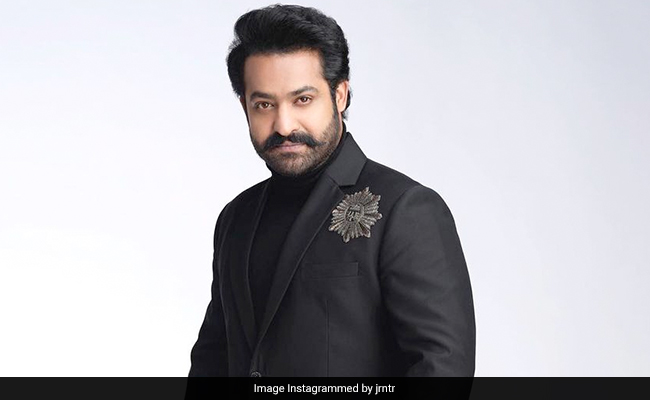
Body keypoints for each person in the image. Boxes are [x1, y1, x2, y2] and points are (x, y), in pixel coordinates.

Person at [188, 4, 475, 377]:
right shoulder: (236, 218)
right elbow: (213, 359)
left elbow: (441, 369)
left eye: (302, 100)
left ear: (340, 95)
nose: (284, 124)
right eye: (264, 105)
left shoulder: (405, 209)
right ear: (245, 106)